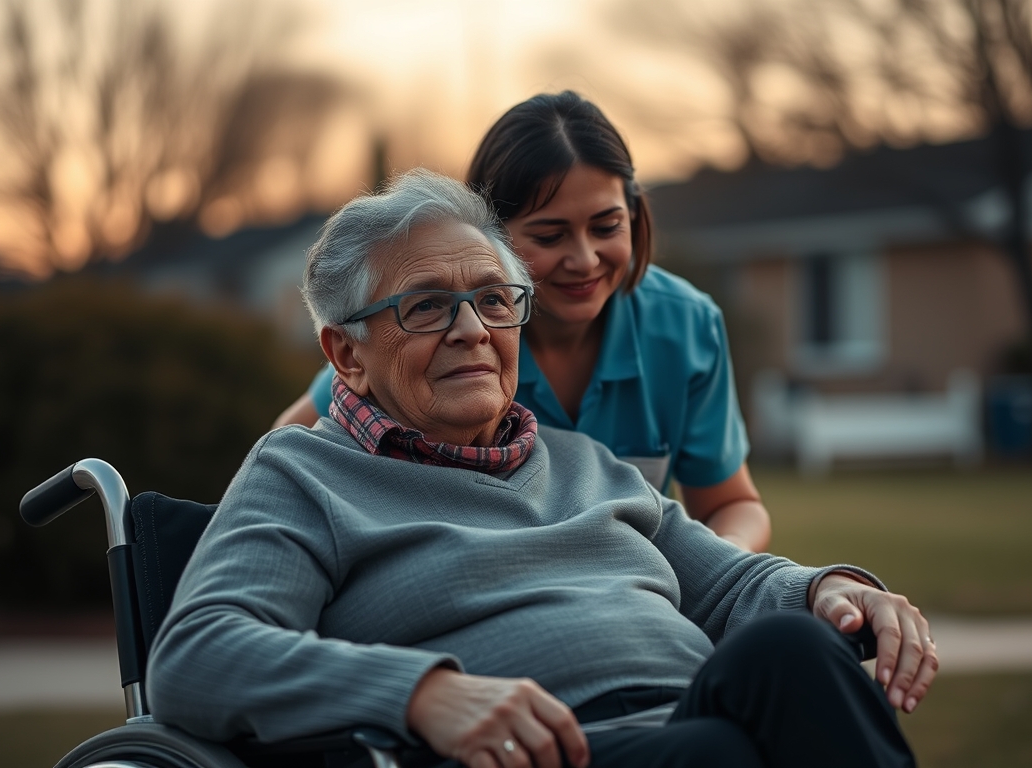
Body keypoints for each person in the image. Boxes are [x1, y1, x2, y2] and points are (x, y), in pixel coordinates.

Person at [149, 171, 936, 768]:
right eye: (425, 306)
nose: (471, 331)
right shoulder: (304, 474)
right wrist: (422, 693)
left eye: (495, 301)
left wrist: (828, 588)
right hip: (534, 752)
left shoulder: (587, 463)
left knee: (793, 649)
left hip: (695, 719)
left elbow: (731, 586)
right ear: (346, 355)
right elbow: (197, 652)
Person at [274, 92, 770, 552]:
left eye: (606, 226)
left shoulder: (685, 326)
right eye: (550, 236)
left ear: (635, 215)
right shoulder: (445, 339)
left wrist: (710, 576)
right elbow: (288, 450)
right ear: (485, 239)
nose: (585, 259)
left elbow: (730, 503)